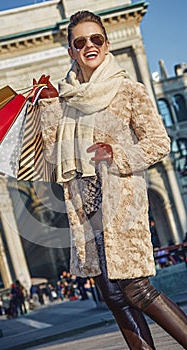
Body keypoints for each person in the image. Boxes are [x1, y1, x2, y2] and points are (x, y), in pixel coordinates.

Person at [33, 10, 187, 349]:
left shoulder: (128, 90)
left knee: (138, 290)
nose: (90, 45)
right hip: (84, 212)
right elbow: (51, 160)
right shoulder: (64, 100)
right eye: (80, 42)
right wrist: (46, 109)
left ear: (106, 43)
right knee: (116, 299)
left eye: (96, 39)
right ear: (71, 50)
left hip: (120, 205)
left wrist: (117, 154)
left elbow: (159, 142)